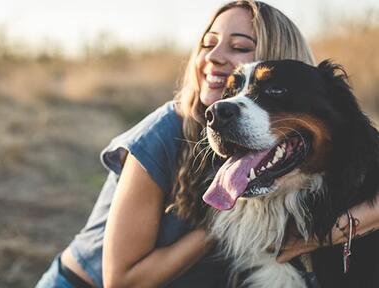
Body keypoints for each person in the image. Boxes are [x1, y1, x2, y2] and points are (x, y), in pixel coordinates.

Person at [36, 1, 379, 287]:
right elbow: (120, 281)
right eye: (207, 43)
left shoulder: (270, 132)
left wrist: (352, 221)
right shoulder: (165, 131)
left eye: (241, 47)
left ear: (279, 58)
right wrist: (226, 221)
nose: (214, 56)